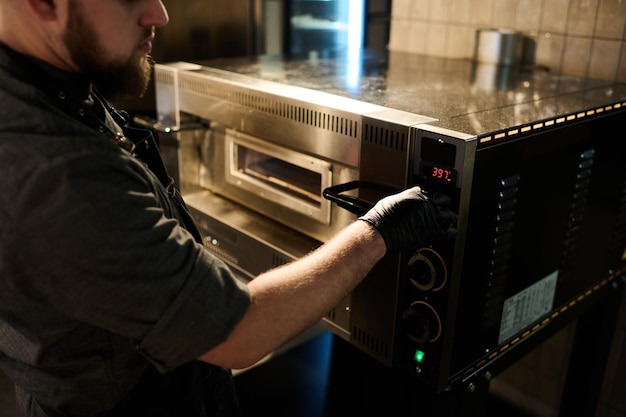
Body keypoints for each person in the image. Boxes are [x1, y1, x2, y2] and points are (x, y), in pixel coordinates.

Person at [0, 0, 456, 415]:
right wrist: (377, 231)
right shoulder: (54, 171)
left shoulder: (45, 81)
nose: (159, 14)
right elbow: (240, 332)